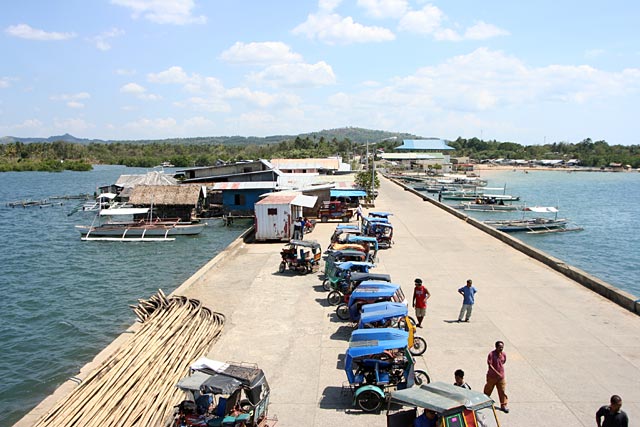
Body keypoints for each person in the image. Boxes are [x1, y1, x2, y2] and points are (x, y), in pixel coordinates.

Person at [483, 341, 508, 413]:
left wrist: (500, 373)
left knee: (502, 391)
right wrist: (496, 372)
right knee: (488, 390)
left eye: (502, 347)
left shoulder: (503, 354)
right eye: (500, 347)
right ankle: (484, 402)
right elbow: (490, 365)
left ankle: (503, 405)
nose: (501, 349)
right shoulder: (491, 354)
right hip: (492, 377)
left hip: (501, 377)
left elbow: (503, 362)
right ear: (496, 347)